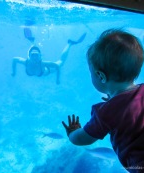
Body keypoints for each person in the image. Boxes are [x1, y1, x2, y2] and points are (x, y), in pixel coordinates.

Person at [62, 29, 144, 173]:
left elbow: (82, 139)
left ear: (100, 76)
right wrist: (116, 100)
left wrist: (73, 133)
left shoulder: (106, 112)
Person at [11, 33, 86, 85]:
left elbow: (57, 66)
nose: (34, 57)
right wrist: (14, 71)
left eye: (36, 55)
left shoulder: (43, 63)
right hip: (38, 70)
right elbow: (14, 59)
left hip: (47, 70)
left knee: (61, 63)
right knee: (34, 50)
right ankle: (32, 41)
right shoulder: (26, 61)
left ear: (40, 56)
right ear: (29, 56)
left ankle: (70, 43)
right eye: (32, 55)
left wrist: (57, 79)